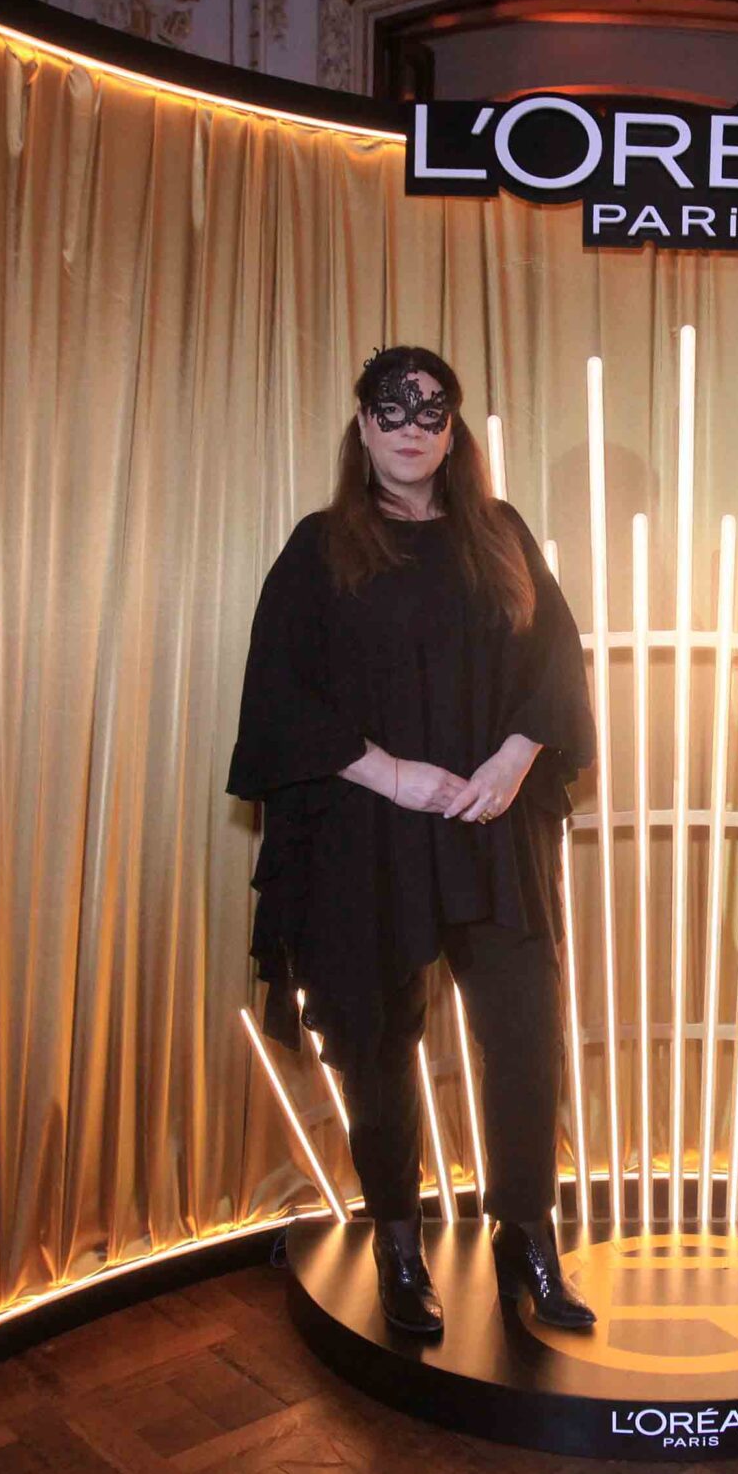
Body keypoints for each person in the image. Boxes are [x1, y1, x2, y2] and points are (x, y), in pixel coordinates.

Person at [228, 346, 596, 1339]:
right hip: (367, 838)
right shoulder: (319, 548)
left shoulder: (500, 533)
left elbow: (556, 662)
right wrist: (392, 773)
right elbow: (277, 697)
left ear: (453, 428)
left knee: (523, 1033)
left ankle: (527, 1239)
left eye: (430, 410)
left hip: (490, 828)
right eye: (389, 408)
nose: (410, 426)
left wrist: (516, 756)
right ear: (361, 424)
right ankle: (398, 1244)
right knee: (376, 1042)